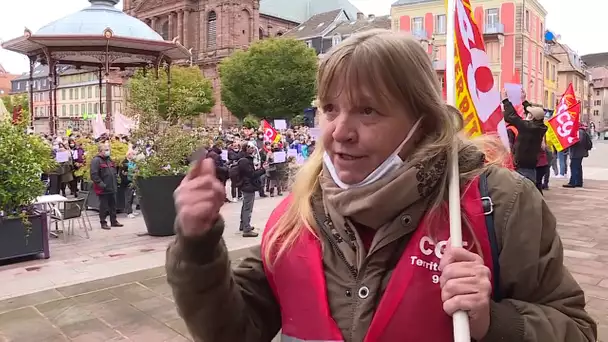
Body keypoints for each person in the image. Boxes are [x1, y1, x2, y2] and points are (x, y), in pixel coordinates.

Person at [169, 30, 596, 342]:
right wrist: (198, 246)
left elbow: (575, 328)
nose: (339, 131)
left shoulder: (497, 202)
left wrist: (493, 323)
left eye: (368, 110)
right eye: (330, 108)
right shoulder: (298, 212)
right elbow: (233, 331)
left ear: (422, 122)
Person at [501, 89, 547, 183]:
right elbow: (535, 114)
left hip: (523, 168)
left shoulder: (528, 128)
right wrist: (524, 100)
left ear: (531, 117)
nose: (526, 115)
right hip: (530, 166)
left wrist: (505, 100)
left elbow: (511, 116)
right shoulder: (539, 126)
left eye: (528, 114)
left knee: (523, 192)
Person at [233, 144, 266, 237]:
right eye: (250, 147)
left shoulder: (246, 159)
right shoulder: (244, 160)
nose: (253, 149)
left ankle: (243, 225)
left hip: (247, 185)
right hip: (248, 186)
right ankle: (246, 229)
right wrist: (263, 170)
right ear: (245, 149)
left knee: (245, 206)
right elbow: (252, 174)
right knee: (248, 208)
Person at [90, 143, 123, 230]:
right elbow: (94, 175)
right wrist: (102, 185)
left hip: (112, 187)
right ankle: (103, 222)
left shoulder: (109, 160)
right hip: (103, 189)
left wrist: (117, 180)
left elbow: (114, 171)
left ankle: (114, 221)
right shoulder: (96, 161)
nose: (108, 151)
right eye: (106, 150)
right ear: (101, 151)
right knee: (103, 206)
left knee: (113, 205)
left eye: (108, 149)